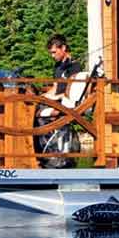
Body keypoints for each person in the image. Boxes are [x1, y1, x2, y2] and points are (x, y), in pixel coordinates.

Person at [36, 34, 82, 168]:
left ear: (63, 48)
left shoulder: (75, 67)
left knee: (39, 114)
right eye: (51, 53)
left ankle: (51, 155)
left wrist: (57, 97)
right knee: (33, 109)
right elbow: (55, 87)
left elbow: (73, 92)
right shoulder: (58, 67)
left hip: (65, 104)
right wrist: (44, 96)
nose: (52, 55)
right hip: (56, 101)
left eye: (54, 52)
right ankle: (42, 154)